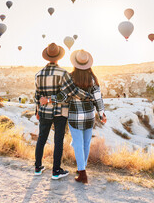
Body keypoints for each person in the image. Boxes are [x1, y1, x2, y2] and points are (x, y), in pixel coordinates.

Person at [40, 49, 107, 184]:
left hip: (75, 116)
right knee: (86, 143)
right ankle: (81, 168)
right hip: (89, 116)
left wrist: (48, 100)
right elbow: (98, 98)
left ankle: (82, 174)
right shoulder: (93, 78)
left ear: (75, 63)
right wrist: (101, 114)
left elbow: (63, 96)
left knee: (77, 143)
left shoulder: (70, 77)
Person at [34, 43, 91, 180]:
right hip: (61, 112)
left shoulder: (38, 74)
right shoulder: (63, 73)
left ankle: (37, 167)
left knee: (41, 138)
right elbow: (71, 92)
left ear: (47, 57)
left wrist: (37, 110)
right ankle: (56, 170)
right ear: (58, 57)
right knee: (58, 140)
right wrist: (87, 96)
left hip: (44, 112)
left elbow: (37, 95)